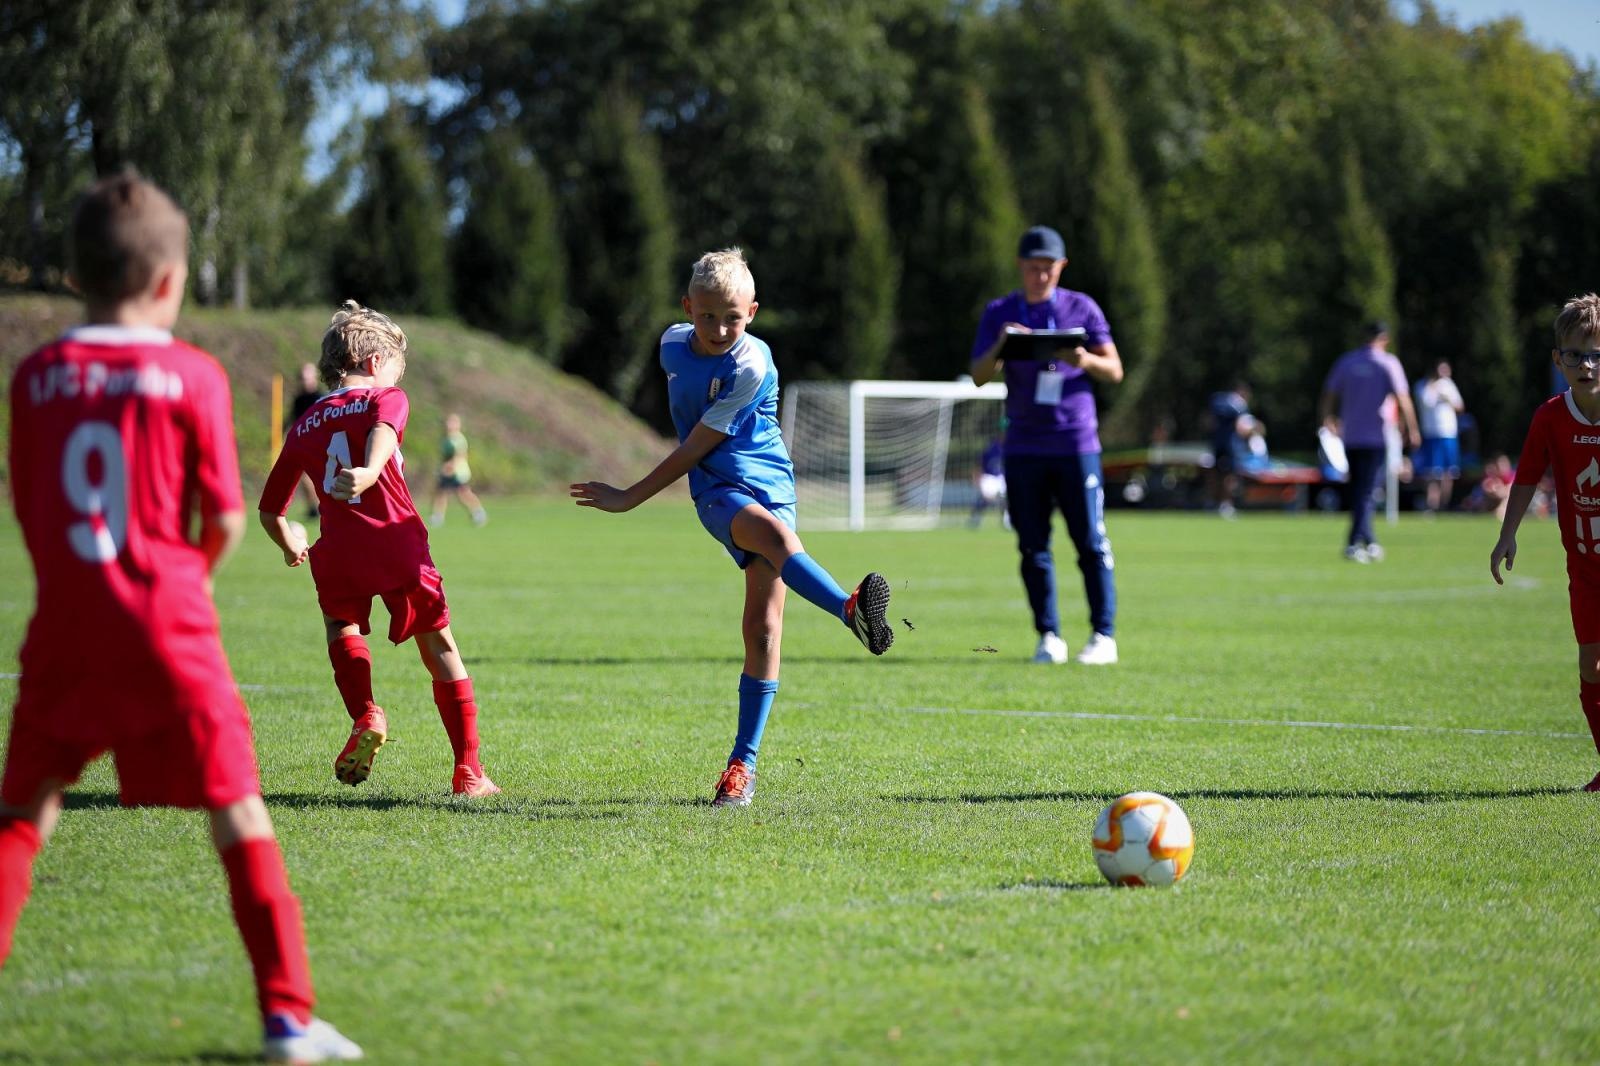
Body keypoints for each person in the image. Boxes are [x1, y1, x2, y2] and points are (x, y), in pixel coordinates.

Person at [0, 173, 360, 1062]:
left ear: (77, 277)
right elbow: (229, 519)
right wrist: (172, 583)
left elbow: (31, 504)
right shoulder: (192, 374)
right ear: (169, 284)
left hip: (65, 626)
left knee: (21, 818)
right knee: (238, 810)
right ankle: (286, 1018)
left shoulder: (36, 375)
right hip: (169, 622)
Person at [570, 248, 893, 807]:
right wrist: (627, 499)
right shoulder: (671, 344)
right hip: (717, 488)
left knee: (763, 630)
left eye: (734, 318)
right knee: (775, 540)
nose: (720, 328)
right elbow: (697, 451)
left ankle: (740, 768)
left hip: (771, 483)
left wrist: (628, 498)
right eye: (708, 316)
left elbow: (695, 438)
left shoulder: (751, 364)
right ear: (687, 307)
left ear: (754, 312)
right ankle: (847, 608)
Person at [259, 301, 500, 798]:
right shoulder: (385, 400)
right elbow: (383, 435)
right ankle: (469, 773)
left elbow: (270, 510)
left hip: (340, 548)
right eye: (397, 369)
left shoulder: (304, 424)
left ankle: (366, 712)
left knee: (339, 626)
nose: (398, 378)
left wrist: (290, 543)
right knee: (439, 648)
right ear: (374, 363)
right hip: (396, 541)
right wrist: (369, 472)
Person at [970, 224, 1122, 666]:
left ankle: (1103, 635)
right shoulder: (1000, 311)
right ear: (1021, 266)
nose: (1041, 276)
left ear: (1061, 267)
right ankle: (1049, 636)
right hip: (1023, 446)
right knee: (1032, 546)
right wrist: (1003, 342)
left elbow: (1115, 370)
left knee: (1090, 541)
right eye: (1033, 268)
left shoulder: (1082, 307)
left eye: (1049, 269)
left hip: (1076, 443)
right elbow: (979, 375)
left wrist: (1085, 359)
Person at [1490, 292, 1600, 792]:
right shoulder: (1550, 417)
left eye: (1596, 354)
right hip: (1584, 569)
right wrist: (1506, 535)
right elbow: (1527, 478)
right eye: (1575, 354)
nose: (1587, 364)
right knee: (1590, 664)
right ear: (1558, 360)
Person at [1318, 321, 1421, 562]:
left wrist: (1326, 419)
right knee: (1366, 491)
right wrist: (1413, 429)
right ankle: (1355, 543)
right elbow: (1403, 398)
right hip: (1376, 436)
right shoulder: (1387, 363)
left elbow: (1328, 394)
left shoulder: (1348, 362)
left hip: (1351, 436)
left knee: (1360, 490)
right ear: (1384, 339)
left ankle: (1369, 541)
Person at [1413, 360, 1466, 512]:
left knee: (1448, 472)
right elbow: (1424, 403)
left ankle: (1444, 505)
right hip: (1431, 434)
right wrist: (1433, 387)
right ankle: (1431, 505)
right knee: (1431, 472)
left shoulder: (1449, 385)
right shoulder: (1422, 385)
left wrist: (1447, 399)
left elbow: (1460, 406)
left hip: (1448, 433)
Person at [429, 412, 488, 527]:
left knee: (464, 493)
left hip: (458, 472)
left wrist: (449, 467)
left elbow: (459, 456)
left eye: (453, 422)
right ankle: (437, 516)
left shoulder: (458, 439)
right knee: (441, 493)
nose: (449, 424)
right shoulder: (446, 439)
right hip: (447, 471)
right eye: (448, 422)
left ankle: (478, 512)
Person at [1207, 382, 1257, 517]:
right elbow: (1242, 428)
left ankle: (1217, 503)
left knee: (1220, 475)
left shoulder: (1220, 400)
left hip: (1218, 444)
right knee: (1228, 476)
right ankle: (1224, 504)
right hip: (1229, 446)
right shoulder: (1237, 405)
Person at [287, 362, 325, 519]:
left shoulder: (320, 398)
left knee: (316, 477)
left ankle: (319, 507)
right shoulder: (299, 400)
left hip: (319, 443)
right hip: (303, 443)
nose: (304, 380)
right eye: (302, 378)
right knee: (303, 476)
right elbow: (293, 420)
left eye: (307, 377)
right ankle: (313, 507)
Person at [969, 430, 1009, 529]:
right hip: (989, 476)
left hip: (1001, 477)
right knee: (986, 497)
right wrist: (976, 476)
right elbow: (979, 463)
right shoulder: (991, 448)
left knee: (1007, 499)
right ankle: (976, 518)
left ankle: (1006, 520)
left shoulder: (1011, 448)